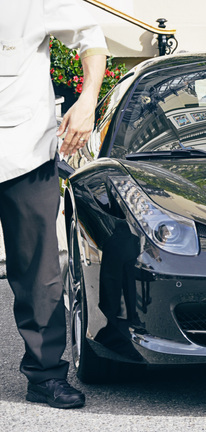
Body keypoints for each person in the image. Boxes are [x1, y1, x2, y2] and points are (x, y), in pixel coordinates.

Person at [0, 1, 108, 409]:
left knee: (39, 275)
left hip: (25, 154)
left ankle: (45, 376)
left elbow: (91, 38)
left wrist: (87, 100)